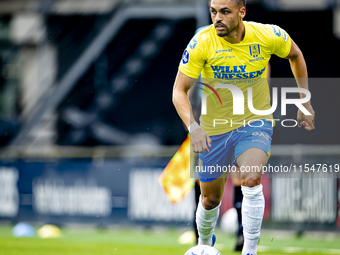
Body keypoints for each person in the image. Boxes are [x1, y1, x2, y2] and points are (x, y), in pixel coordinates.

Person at [172, 0, 315, 254]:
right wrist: (193, 127)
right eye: (213, 11)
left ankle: (249, 250)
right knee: (209, 199)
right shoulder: (201, 42)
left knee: (250, 178)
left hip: (254, 123)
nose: (218, 18)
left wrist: (304, 101)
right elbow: (179, 91)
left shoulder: (268, 35)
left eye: (225, 12)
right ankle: (204, 245)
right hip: (214, 128)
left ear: (241, 12)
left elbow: (296, 55)